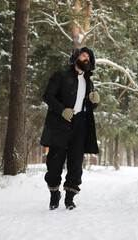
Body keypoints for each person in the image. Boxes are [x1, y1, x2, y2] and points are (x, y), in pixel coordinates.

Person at [40, 46, 100, 210]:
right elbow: (48, 96)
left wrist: (95, 101)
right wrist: (62, 110)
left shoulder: (89, 81)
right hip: (59, 125)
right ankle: (54, 194)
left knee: (75, 165)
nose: (86, 58)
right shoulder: (60, 76)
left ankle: (69, 198)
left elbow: (90, 106)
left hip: (80, 126)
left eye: (89, 57)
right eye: (83, 55)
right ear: (75, 58)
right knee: (54, 165)